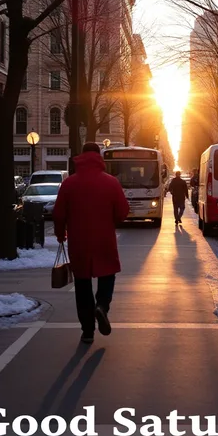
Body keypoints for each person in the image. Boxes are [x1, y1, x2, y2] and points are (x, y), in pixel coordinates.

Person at [53, 142, 129, 344]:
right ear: (99, 158)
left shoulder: (69, 183)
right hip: (104, 240)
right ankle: (102, 305)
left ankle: (87, 330)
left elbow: (59, 214)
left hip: (79, 242)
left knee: (82, 284)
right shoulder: (111, 182)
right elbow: (122, 212)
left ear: (81, 157)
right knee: (107, 275)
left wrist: (61, 234)